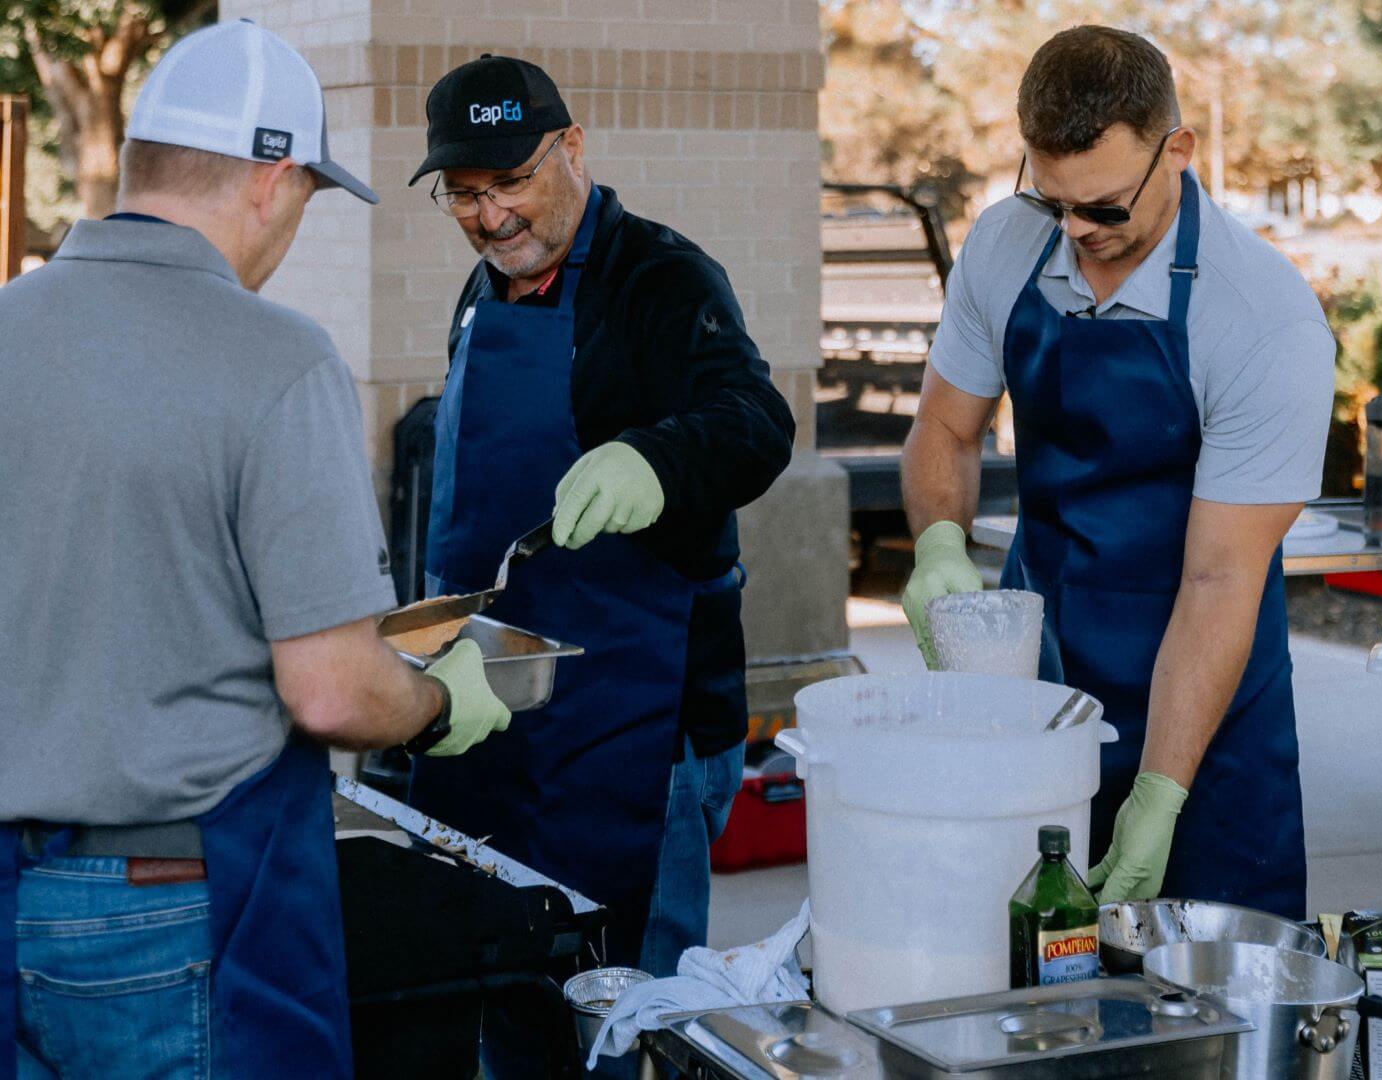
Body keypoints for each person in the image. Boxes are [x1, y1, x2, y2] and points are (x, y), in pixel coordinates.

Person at [0, 21, 510, 1080]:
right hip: (175, 914)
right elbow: (329, 689)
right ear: (273, 181)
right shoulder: (276, 360)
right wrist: (442, 701)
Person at [405, 54, 795, 1075]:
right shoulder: (482, 292)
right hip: (498, 716)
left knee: (631, 1023)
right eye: (465, 194)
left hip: (641, 733)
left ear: (571, 148)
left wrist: (655, 459)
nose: (491, 219)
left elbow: (755, 422)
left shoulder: (662, 279)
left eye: (513, 184)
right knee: (515, 1007)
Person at [902, 26, 1334, 919]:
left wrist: (1159, 791)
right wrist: (939, 545)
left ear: (1176, 150)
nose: (1074, 232)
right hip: (1040, 690)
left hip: (1207, 716)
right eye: (1051, 199)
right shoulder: (1005, 248)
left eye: (1102, 207)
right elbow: (945, 429)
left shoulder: (1261, 317)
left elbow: (1220, 579)